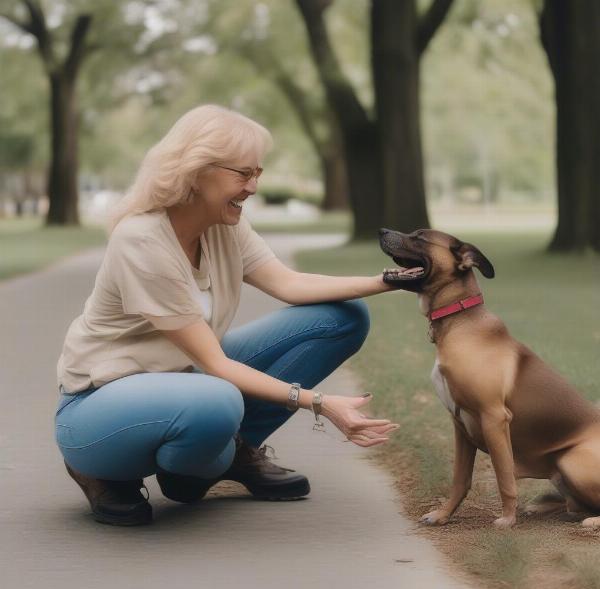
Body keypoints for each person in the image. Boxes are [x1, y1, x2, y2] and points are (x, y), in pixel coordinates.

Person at [55, 104, 403, 527]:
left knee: (343, 317)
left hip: (186, 379)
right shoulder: (142, 240)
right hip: (99, 406)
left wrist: (387, 280)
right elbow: (215, 364)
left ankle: (218, 457)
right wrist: (321, 403)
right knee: (219, 399)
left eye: (258, 173)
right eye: (243, 174)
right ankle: (107, 471)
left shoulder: (225, 223)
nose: (253, 186)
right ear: (197, 172)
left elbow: (288, 285)